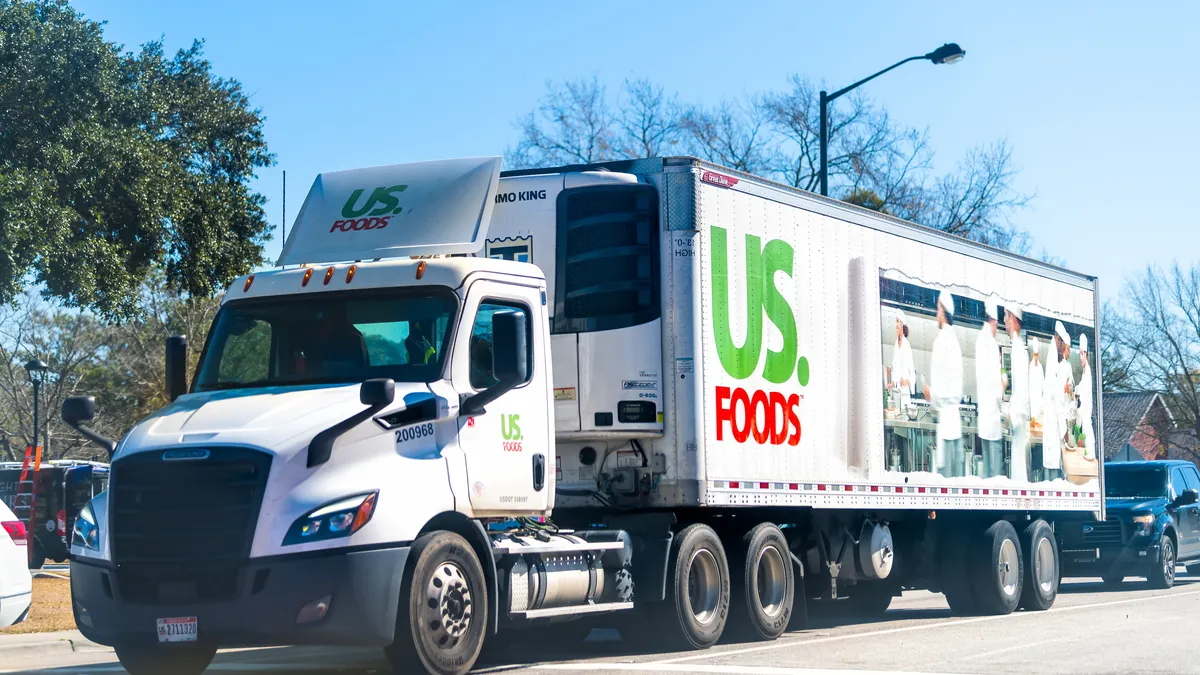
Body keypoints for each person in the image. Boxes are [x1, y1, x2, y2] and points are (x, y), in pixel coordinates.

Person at [924, 290, 964, 477]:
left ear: (943, 311)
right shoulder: (954, 340)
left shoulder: (942, 341)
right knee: (957, 478)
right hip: (954, 426)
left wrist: (930, 394)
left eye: (938, 309)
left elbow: (943, 389)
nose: (936, 313)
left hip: (947, 427)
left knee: (946, 481)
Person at [975, 296, 1004, 478]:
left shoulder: (980, 340)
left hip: (984, 419)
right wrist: (1003, 384)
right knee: (996, 473)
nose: (997, 328)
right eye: (997, 324)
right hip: (992, 418)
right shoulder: (991, 344)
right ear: (993, 322)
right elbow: (995, 385)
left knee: (986, 471)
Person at [1005, 305, 1030, 482]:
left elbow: (1021, 387)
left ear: (1013, 318)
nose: (1004, 321)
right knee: (1017, 463)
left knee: (1018, 465)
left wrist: (1011, 411)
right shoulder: (1016, 346)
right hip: (1018, 416)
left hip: (1019, 418)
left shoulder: (1018, 349)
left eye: (1005, 316)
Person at [889, 310, 916, 406]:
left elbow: (912, 373)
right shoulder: (896, 344)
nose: (896, 325)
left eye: (897, 321)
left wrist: (905, 381)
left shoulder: (906, 346)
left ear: (902, 324)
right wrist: (892, 383)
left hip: (904, 394)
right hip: (896, 393)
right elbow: (894, 368)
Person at [1028, 336, 1046, 480]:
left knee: (1039, 446)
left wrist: (1041, 408)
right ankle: (1034, 473)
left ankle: (1038, 473)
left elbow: (1043, 390)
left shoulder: (1040, 368)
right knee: (1032, 446)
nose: (1035, 357)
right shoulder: (1031, 368)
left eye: (1037, 355)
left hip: (1040, 414)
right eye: (1034, 355)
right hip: (1032, 413)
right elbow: (1030, 391)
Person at [1077, 333, 1095, 460]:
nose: (1080, 358)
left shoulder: (1087, 370)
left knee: (1087, 426)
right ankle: (1087, 450)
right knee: (1084, 427)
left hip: (1087, 406)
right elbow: (1081, 386)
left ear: (1086, 354)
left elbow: (1086, 391)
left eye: (1082, 354)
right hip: (1084, 406)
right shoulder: (1084, 372)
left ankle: (1091, 451)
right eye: (1079, 354)